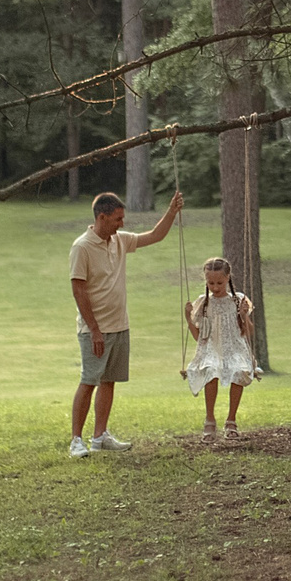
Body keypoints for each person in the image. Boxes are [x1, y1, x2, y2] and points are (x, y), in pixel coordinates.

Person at [68, 186, 183, 458]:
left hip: (120, 325)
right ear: (102, 217)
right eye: (118, 219)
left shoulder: (119, 240)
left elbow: (155, 236)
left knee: (110, 381)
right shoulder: (82, 247)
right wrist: (94, 330)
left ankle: (100, 436)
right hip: (94, 330)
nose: (122, 223)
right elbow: (78, 290)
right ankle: (76, 440)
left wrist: (172, 211)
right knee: (89, 381)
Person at [184, 256, 259, 442]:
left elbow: (249, 332)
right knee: (211, 369)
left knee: (239, 370)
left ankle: (231, 420)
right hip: (211, 348)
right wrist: (188, 318)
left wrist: (243, 315)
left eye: (219, 282)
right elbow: (198, 337)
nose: (215, 287)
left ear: (228, 278)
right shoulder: (204, 303)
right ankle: (209, 420)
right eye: (211, 283)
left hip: (235, 347)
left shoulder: (238, 300)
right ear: (205, 280)